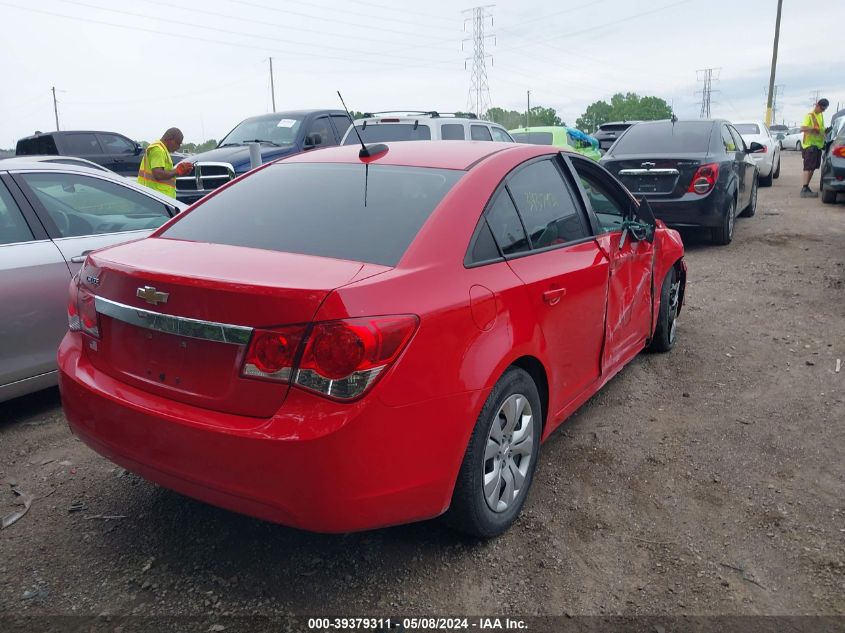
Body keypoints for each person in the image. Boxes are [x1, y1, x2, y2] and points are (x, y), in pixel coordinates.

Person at [137, 128, 192, 198]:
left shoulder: (162, 150)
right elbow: (158, 174)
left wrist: (181, 172)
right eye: (178, 143)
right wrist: (177, 171)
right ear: (169, 139)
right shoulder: (158, 150)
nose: (178, 147)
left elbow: (165, 175)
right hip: (156, 197)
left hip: (158, 196)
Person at [799, 99, 829, 198]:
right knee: (808, 167)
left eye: (824, 109)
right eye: (822, 108)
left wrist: (825, 131)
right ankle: (804, 188)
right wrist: (812, 128)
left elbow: (821, 129)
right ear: (817, 105)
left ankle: (806, 187)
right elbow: (802, 128)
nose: (823, 111)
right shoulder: (809, 115)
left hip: (818, 146)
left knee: (813, 167)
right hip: (810, 145)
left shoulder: (820, 115)